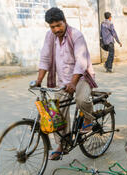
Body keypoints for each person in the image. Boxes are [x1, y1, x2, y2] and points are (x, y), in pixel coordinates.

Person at [35, 7, 97, 160]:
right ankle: (62, 144)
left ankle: (89, 118)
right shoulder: (50, 36)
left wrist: (73, 83)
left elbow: (81, 62)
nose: (56, 29)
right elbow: (45, 58)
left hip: (81, 77)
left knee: (81, 99)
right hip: (63, 81)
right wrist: (38, 80)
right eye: (52, 27)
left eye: (58, 25)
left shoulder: (76, 35)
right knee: (56, 113)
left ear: (65, 22)